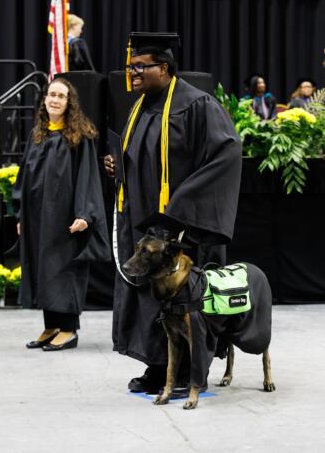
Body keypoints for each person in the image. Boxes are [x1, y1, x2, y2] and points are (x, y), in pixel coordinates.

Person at [104, 32, 242, 394]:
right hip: (147, 227)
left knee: (184, 298)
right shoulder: (141, 108)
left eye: (139, 67)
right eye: (130, 67)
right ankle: (158, 364)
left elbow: (226, 155)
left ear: (162, 68)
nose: (131, 74)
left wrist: (182, 207)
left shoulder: (197, 105)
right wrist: (119, 165)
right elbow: (144, 159)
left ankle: (187, 371)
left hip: (181, 229)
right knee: (151, 295)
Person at [13, 78, 111, 351]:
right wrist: (22, 215)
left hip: (65, 216)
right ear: (45, 99)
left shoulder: (79, 136)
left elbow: (88, 178)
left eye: (61, 96)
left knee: (64, 269)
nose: (55, 100)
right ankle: (51, 325)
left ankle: (68, 329)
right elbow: (25, 178)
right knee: (44, 269)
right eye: (51, 95)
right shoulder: (38, 134)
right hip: (37, 218)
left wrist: (85, 214)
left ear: (70, 103)